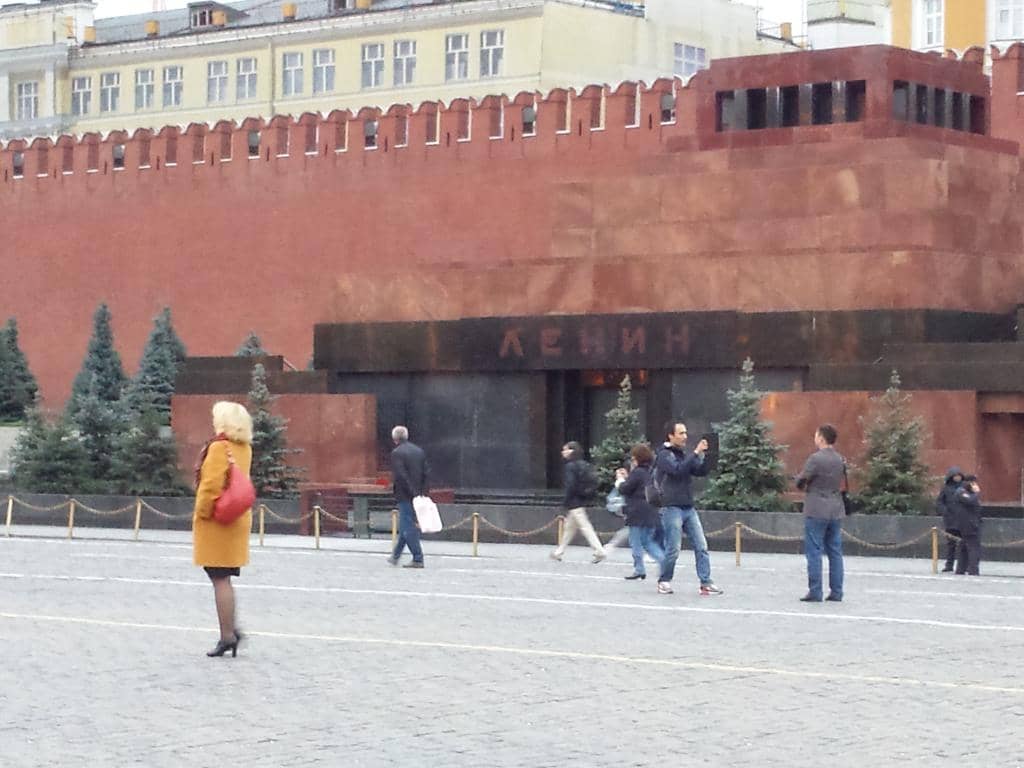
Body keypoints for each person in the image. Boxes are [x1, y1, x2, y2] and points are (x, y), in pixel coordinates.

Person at [193, 400, 254, 658]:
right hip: (236, 519)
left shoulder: (219, 447)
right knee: (223, 577)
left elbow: (210, 487)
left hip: (218, 522)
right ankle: (230, 630)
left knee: (220, 579)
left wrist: (201, 513)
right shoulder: (244, 448)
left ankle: (227, 635)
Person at [656, 421, 722, 596]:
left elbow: (698, 471)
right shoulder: (664, 455)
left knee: (701, 545)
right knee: (673, 548)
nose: (685, 436)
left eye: (686, 433)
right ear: (671, 435)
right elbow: (677, 470)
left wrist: (709, 457)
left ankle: (706, 582)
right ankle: (664, 580)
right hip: (671, 507)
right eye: (681, 433)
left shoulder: (683, 454)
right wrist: (695, 452)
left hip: (688, 507)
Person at [795, 424, 846, 603]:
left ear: (822, 438)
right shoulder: (840, 459)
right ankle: (837, 591)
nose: (814, 438)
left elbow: (802, 479)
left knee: (814, 551)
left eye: (816, 435)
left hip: (816, 508)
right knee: (835, 551)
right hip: (836, 509)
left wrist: (799, 482)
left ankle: (815, 591)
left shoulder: (815, 459)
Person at [614, 444, 665, 581]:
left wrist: (619, 480)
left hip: (637, 512)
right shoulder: (649, 472)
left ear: (637, 458)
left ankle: (640, 568)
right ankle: (660, 563)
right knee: (648, 541)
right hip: (651, 511)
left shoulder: (637, 472)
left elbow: (625, 489)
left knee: (636, 542)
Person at [551, 441, 606, 563]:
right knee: (569, 528)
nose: (562, 452)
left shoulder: (570, 466)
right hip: (581, 498)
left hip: (574, 500)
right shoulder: (584, 464)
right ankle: (559, 552)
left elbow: (570, 485)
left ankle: (599, 550)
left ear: (571, 451)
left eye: (565, 449)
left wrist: (566, 501)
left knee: (585, 527)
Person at [387, 425, 429, 568]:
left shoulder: (397, 453)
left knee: (407, 527)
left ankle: (418, 558)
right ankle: (396, 555)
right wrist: (422, 493)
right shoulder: (419, 451)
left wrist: (412, 493)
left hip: (405, 495)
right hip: (419, 494)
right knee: (408, 526)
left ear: (395, 439)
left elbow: (401, 476)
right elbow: (425, 474)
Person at [935, 467, 965, 573]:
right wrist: (945, 512)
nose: (957, 478)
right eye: (955, 476)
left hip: (963, 520)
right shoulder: (946, 488)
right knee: (950, 545)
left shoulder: (965, 487)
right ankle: (949, 565)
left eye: (959, 475)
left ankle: (962, 566)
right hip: (950, 520)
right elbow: (939, 502)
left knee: (963, 545)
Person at [953, 474, 983, 576]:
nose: (976, 485)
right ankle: (973, 570)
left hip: (968, 523)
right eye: (974, 483)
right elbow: (970, 501)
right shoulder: (961, 492)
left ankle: (961, 569)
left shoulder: (966, 492)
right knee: (973, 548)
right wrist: (977, 493)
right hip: (968, 524)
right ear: (970, 482)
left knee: (964, 547)